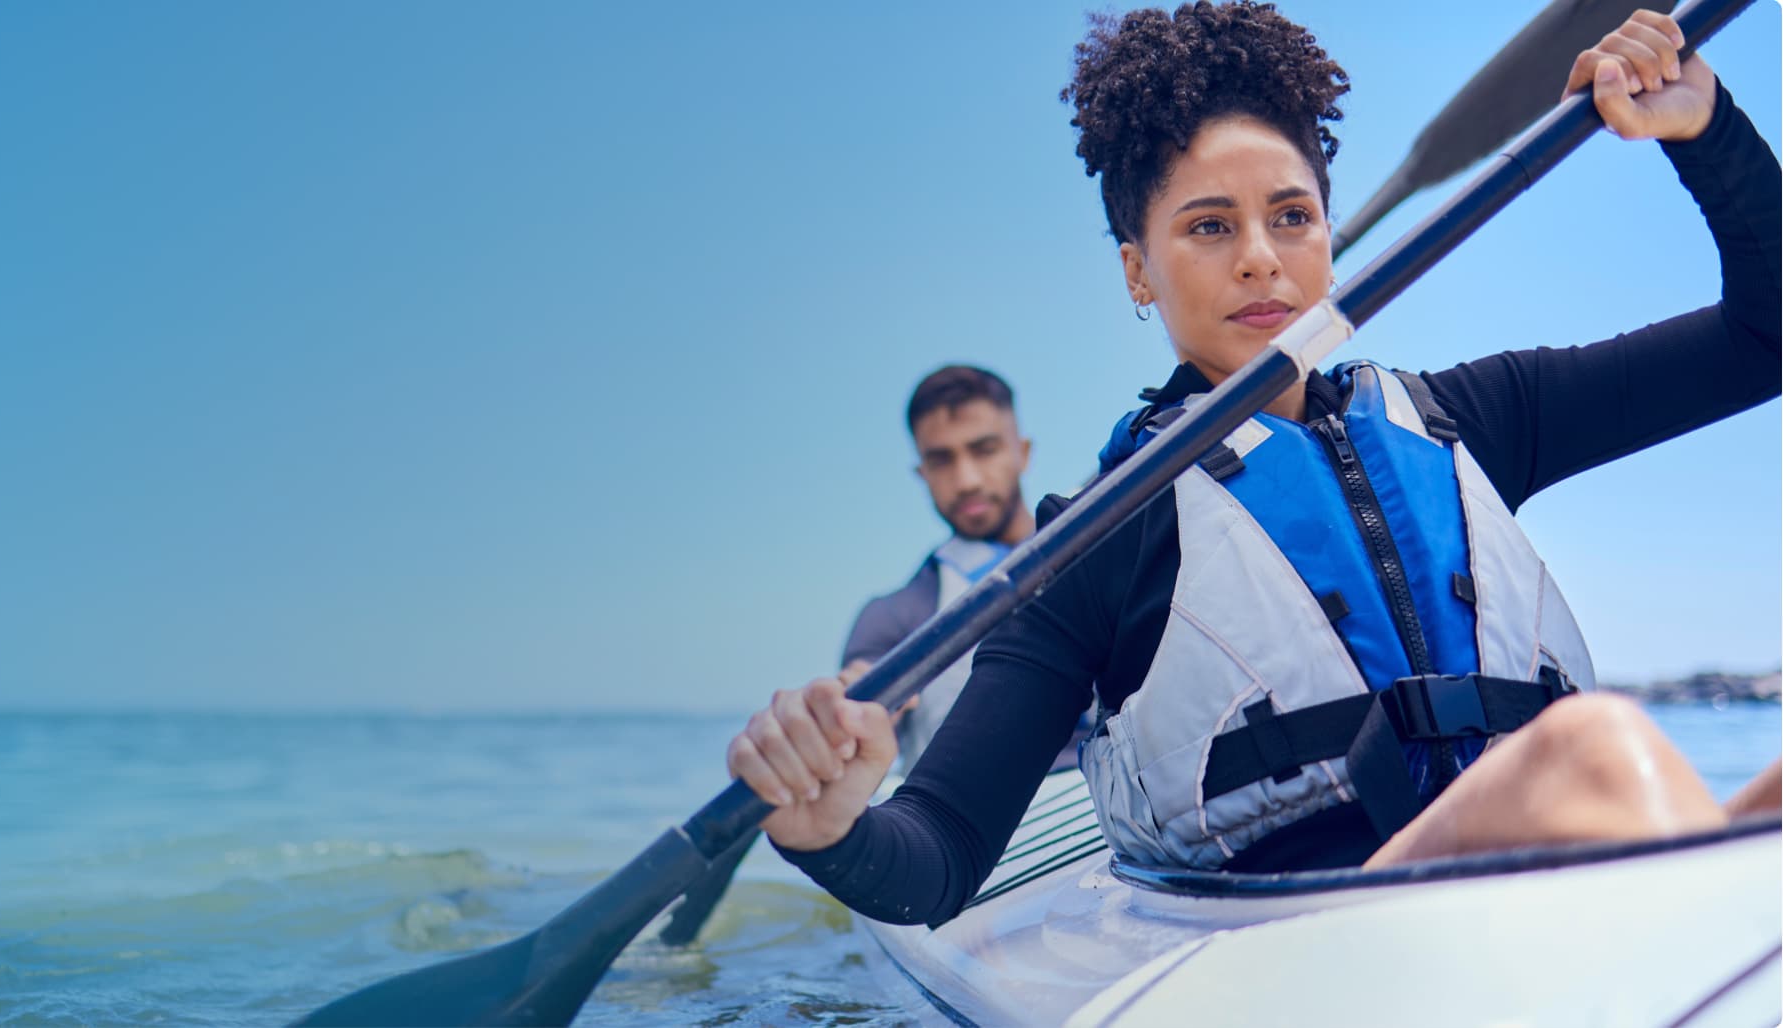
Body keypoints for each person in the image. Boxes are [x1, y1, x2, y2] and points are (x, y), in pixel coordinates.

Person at [726, 2, 1781, 927]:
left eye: (1290, 216)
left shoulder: (1474, 414)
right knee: (1591, 747)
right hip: (1311, 921)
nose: (1260, 258)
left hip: (1544, 869)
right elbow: (942, 855)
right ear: (1137, 270)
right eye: (1208, 226)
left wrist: (1708, 130)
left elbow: (1765, 336)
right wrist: (829, 829)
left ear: (1328, 232)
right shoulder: (1094, 533)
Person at [842, 365, 1072, 773]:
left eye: (984, 450)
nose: (966, 480)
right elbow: (856, 737)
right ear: (922, 474)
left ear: (1023, 453)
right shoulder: (893, 617)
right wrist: (850, 713)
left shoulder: (1099, 550)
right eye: (942, 460)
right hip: (996, 832)